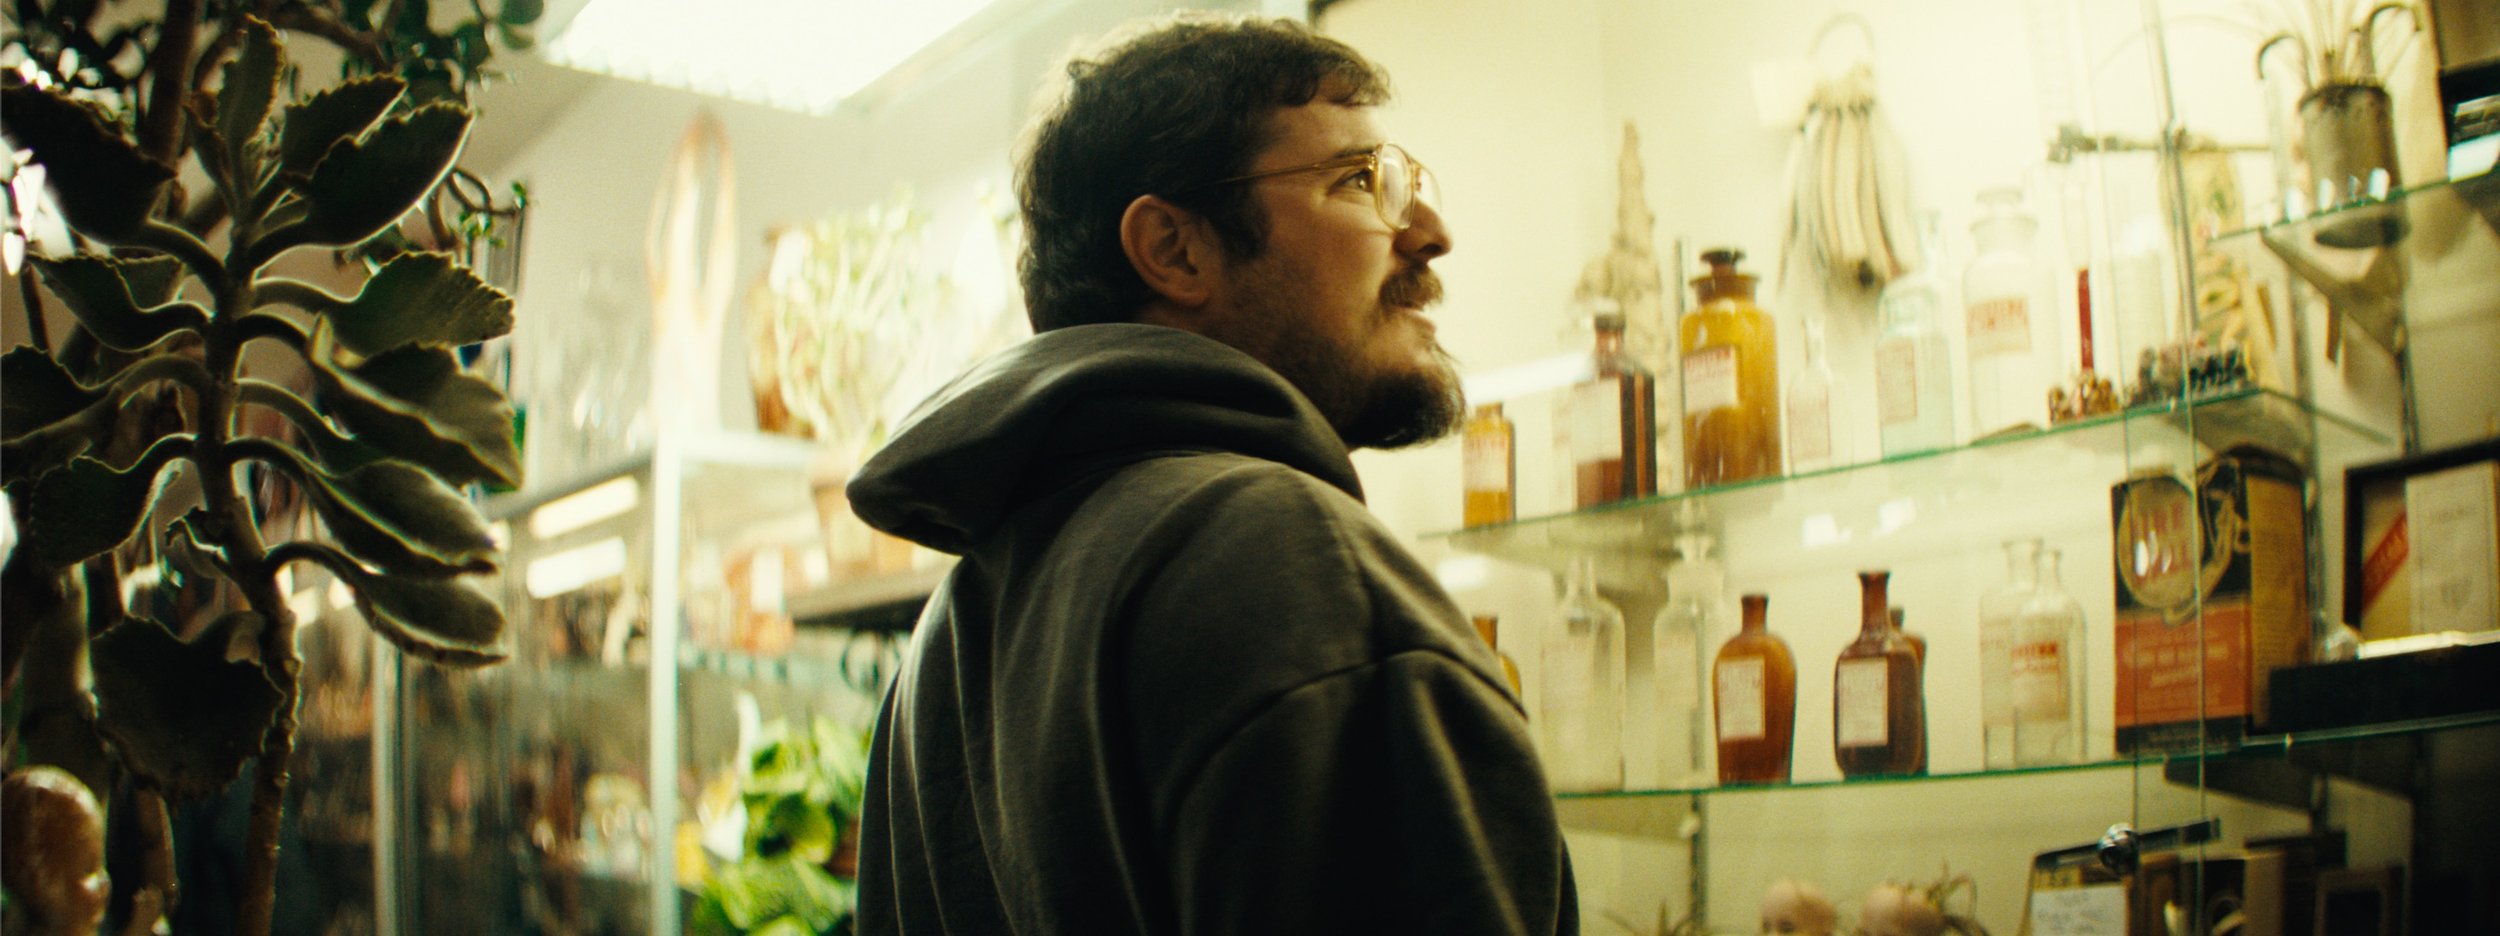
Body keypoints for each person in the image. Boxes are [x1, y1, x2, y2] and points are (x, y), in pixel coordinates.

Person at [845, 12, 1577, 935]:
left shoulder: (955, 632)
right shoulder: (1290, 564)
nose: (1429, 231)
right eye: (1359, 181)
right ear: (1176, 250)